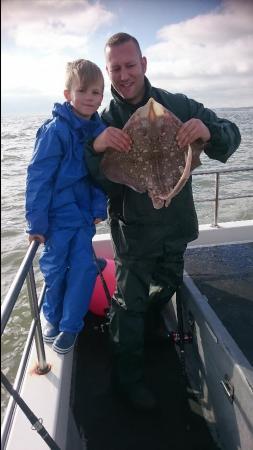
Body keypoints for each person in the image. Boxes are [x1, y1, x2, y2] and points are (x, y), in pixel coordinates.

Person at [85, 33, 241, 410]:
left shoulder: (178, 105)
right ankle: (129, 382)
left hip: (176, 228)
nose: (124, 75)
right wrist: (96, 149)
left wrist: (208, 132)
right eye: (116, 69)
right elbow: (91, 178)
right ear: (108, 73)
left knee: (165, 289)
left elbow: (231, 137)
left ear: (144, 63)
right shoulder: (102, 124)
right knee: (130, 305)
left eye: (130, 65)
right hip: (134, 239)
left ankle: (148, 335)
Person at [25, 59, 112, 354]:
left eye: (97, 92)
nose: (91, 97)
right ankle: (52, 318)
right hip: (56, 218)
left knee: (84, 269)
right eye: (83, 90)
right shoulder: (54, 131)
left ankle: (71, 326)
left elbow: (101, 174)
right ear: (67, 94)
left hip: (84, 217)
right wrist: (36, 224)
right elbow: (38, 177)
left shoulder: (99, 131)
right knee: (54, 269)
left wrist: (99, 207)